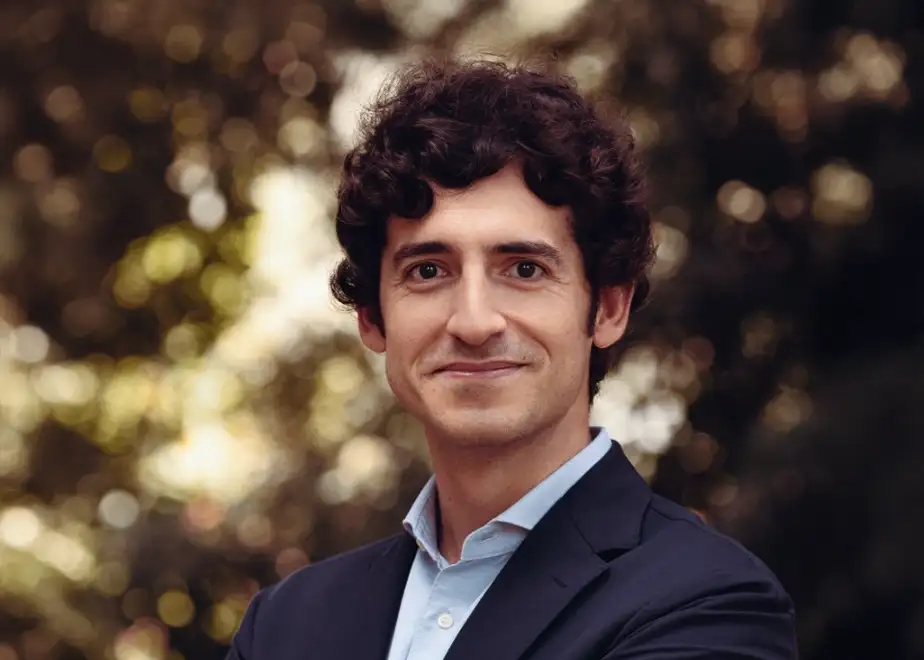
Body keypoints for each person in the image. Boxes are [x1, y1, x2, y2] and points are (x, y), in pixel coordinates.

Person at [226, 59, 797, 660]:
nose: (474, 322)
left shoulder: (708, 603)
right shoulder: (284, 626)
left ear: (607, 308)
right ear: (372, 317)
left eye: (524, 269)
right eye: (428, 271)